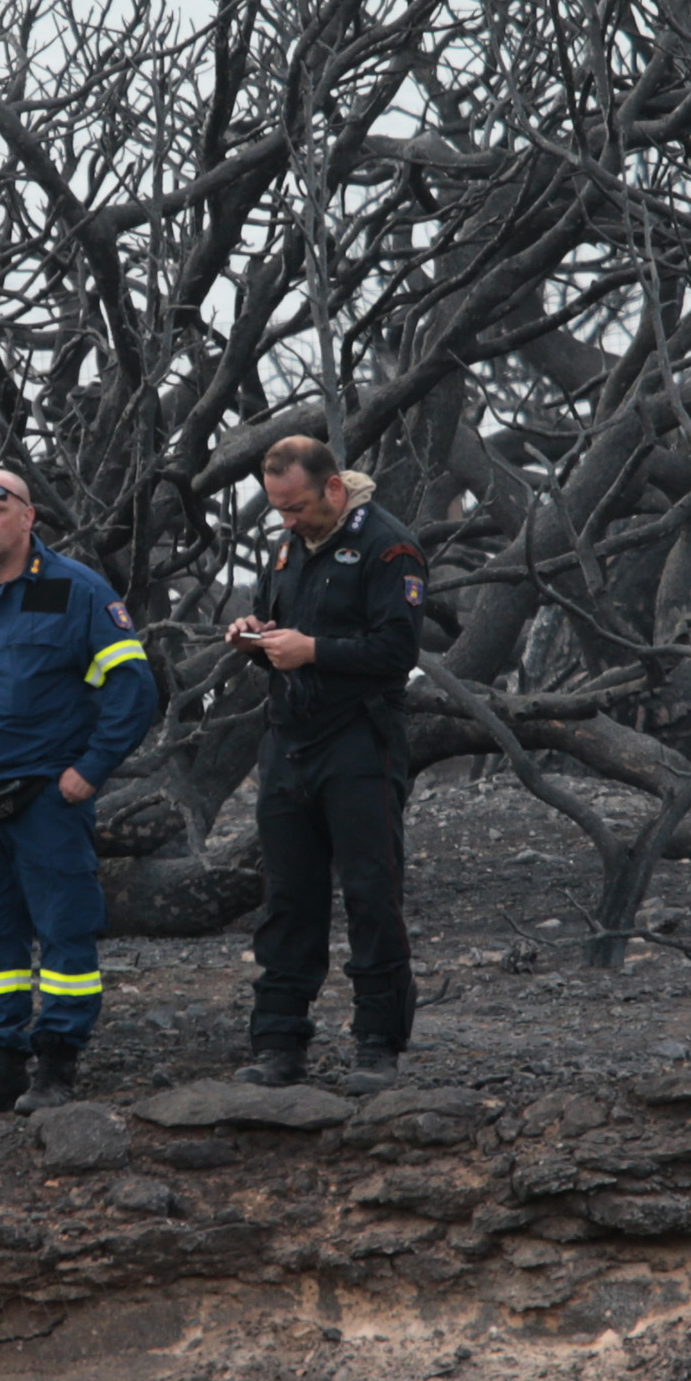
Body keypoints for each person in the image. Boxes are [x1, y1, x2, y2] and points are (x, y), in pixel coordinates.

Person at [0, 472, 160, 1113]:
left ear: (30, 519)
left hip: (48, 800)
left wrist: (91, 769)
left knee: (65, 937)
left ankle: (57, 1069)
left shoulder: (75, 591)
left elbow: (133, 687)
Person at [225, 437, 425, 1092]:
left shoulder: (387, 547)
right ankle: (278, 1041)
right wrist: (256, 639)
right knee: (286, 898)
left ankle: (377, 1043)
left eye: (298, 506)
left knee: (370, 891)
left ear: (333, 488)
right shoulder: (286, 548)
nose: (287, 520)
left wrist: (311, 649)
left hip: (359, 741)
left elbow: (396, 651)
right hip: (288, 740)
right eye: (278, 509)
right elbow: (284, 636)